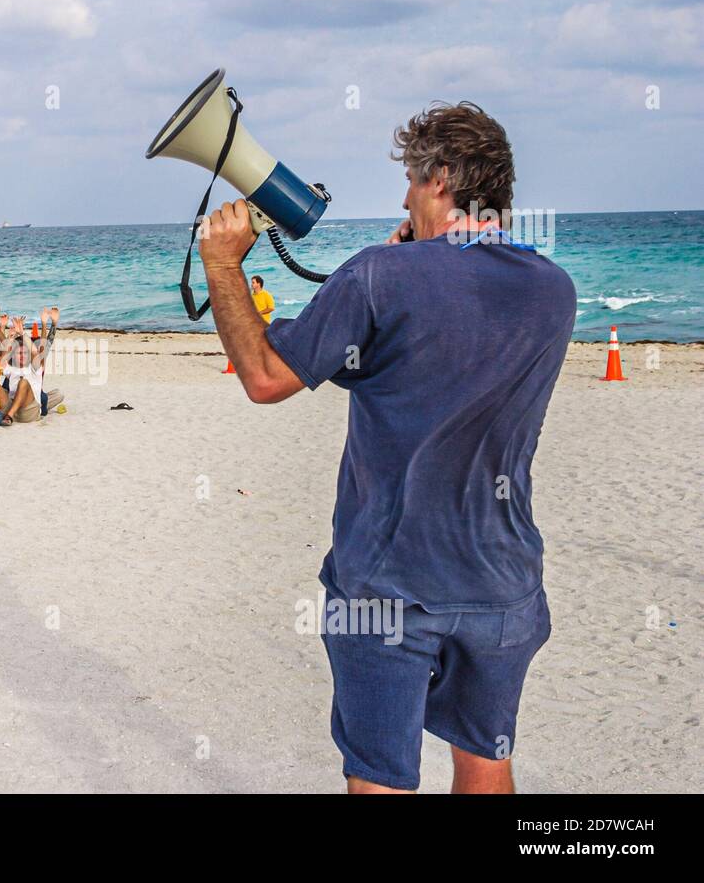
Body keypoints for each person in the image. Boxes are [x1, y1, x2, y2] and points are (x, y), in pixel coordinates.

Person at [197, 101, 575, 794]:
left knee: (381, 778)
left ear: (439, 179)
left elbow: (264, 378)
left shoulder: (378, 276)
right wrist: (413, 271)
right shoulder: (555, 290)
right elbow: (449, 339)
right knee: (486, 762)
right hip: (503, 583)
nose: (403, 195)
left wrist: (223, 264)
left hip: (387, 585)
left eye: (409, 178)